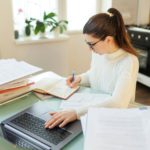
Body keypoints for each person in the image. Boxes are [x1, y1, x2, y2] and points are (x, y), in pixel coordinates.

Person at [45, 8, 139, 129]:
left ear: (108, 40)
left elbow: (118, 103)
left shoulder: (128, 61)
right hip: (95, 112)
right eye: (87, 43)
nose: (89, 49)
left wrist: (76, 113)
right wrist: (80, 79)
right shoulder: (98, 52)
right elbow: (94, 75)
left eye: (91, 44)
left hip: (117, 119)